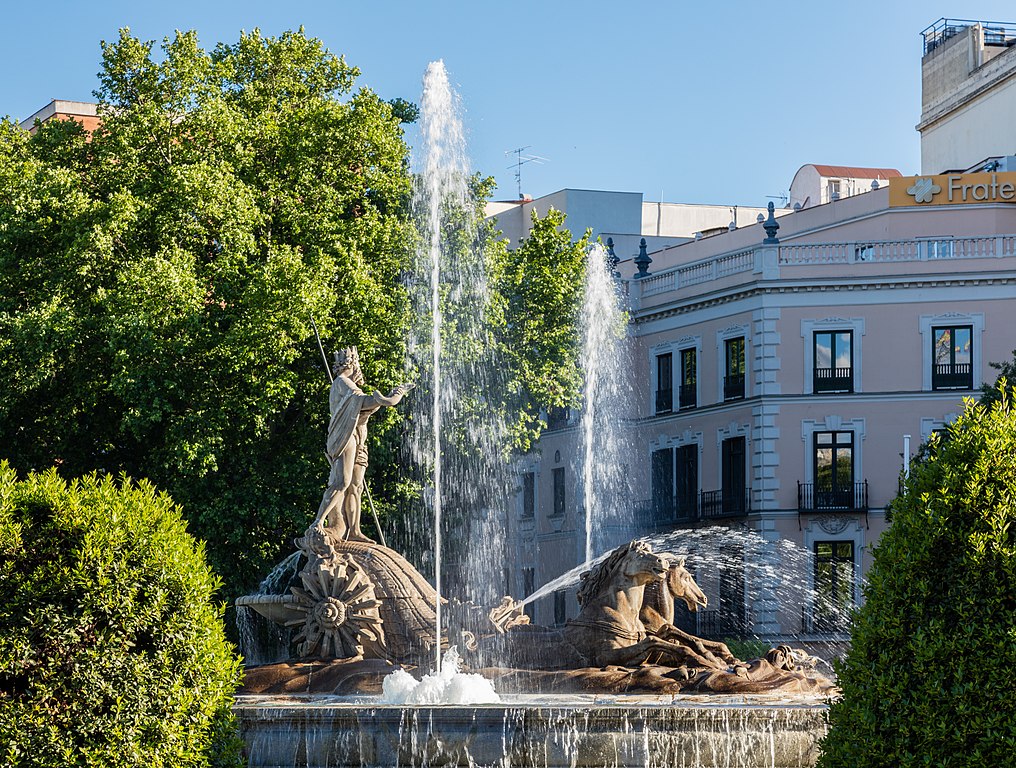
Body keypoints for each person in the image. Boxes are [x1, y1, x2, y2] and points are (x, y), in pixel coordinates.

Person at [311, 346, 412, 542]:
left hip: (358, 440)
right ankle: (318, 522)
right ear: (353, 364)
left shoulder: (348, 385)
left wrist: (382, 399)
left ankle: (355, 531)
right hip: (345, 437)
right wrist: (394, 395)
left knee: (356, 487)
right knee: (342, 482)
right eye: (358, 364)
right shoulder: (342, 382)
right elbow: (362, 402)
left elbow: (365, 404)